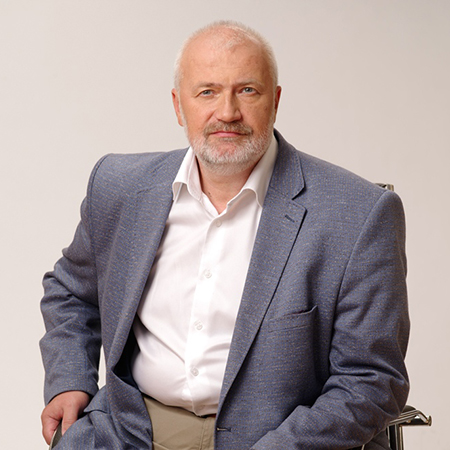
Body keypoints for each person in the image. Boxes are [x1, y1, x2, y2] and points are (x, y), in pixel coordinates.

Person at [40, 20, 409, 450]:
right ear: (178, 106)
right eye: (207, 92)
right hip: (130, 430)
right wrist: (69, 380)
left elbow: (371, 380)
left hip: (279, 438)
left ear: (275, 101)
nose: (228, 112)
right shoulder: (119, 188)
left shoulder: (358, 215)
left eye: (247, 90)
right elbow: (71, 292)